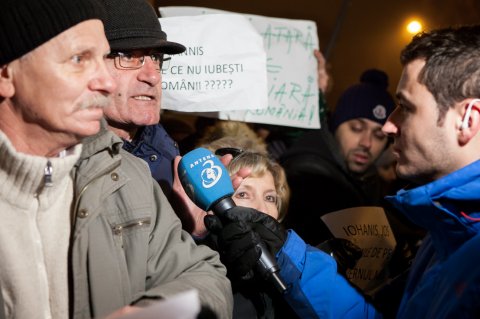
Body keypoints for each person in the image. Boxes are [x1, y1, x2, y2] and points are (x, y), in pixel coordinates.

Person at [209, 24, 480, 318]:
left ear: (467, 119)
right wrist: (286, 253)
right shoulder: (447, 227)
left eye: (406, 107)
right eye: (356, 127)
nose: (390, 126)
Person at [0, 0, 233, 317]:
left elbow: (207, 277)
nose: (105, 82)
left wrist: (149, 312)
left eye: (156, 58)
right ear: (6, 74)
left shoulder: (131, 175)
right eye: (81, 59)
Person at [280, 68, 396, 246]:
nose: (367, 143)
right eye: (356, 128)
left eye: (379, 136)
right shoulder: (305, 176)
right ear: (335, 127)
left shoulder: (370, 182)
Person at [100, 0, 186, 200]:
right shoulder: (61, 162)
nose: (153, 76)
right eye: (128, 56)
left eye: (156, 57)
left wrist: (198, 228)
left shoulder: (167, 152)